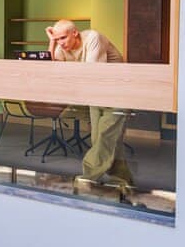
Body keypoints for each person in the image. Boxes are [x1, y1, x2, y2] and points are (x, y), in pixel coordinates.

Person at [46, 19, 133, 190]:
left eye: (63, 38)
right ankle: (125, 183)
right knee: (102, 140)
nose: (61, 43)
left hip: (117, 95)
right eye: (57, 40)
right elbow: (52, 70)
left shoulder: (93, 38)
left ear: (75, 33)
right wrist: (51, 42)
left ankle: (87, 178)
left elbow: (90, 72)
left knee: (105, 137)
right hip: (95, 95)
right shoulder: (61, 47)